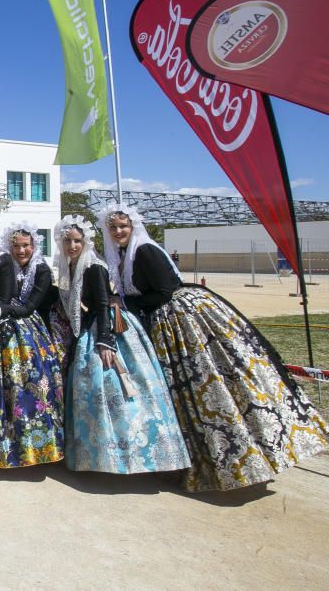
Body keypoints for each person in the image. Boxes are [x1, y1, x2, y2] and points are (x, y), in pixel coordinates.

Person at [99, 203, 329, 491]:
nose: (119, 231)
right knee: (184, 392)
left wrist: (125, 303)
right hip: (162, 322)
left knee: (203, 384)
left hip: (180, 319)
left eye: (124, 226)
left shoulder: (144, 250)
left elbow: (164, 291)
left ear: (133, 227)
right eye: (114, 228)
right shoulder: (122, 255)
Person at [55, 215, 189, 475]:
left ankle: (130, 455)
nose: (72, 245)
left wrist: (106, 342)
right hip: (91, 326)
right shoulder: (72, 266)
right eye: (67, 241)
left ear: (86, 242)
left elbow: (104, 303)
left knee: (116, 388)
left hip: (108, 327)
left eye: (77, 241)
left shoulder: (93, 266)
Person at [0, 216, 66, 468]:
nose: (21, 250)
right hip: (0, 327)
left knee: (33, 385)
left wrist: (0, 309)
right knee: (1, 387)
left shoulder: (41, 269)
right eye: (16, 246)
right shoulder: (3, 265)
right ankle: (5, 448)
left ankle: (39, 447)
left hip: (29, 333)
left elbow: (31, 306)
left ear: (34, 246)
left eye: (25, 246)